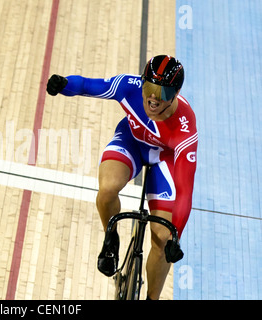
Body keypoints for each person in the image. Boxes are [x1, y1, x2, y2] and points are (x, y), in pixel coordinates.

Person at [46, 55, 198, 300]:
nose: (152, 97)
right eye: (149, 87)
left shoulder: (185, 128)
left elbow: (184, 188)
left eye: (161, 92)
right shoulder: (129, 87)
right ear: (142, 82)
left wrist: (175, 235)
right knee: (107, 189)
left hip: (165, 159)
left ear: (176, 93)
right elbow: (87, 85)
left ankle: (152, 298)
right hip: (132, 142)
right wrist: (64, 85)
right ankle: (111, 237)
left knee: (162, 238)